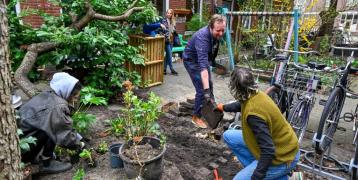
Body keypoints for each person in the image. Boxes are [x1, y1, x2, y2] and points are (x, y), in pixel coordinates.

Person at [215, 68, 300, 180]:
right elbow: (241, 104)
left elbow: (268, 150)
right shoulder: (256, 94)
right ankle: (266, 172)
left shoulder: (254, 116)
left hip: (283, 157)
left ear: (235, 88)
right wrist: (223, 107)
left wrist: (257, 176)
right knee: (229, 136)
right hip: (277, 144)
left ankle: (284, 177)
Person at [19, 72, 86, 174]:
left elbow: (62, 125)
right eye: (74, 95)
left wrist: (79, 137)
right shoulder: (57, 106)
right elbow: (64, 134)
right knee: (51, 127)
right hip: (23, 152)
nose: (75, 99)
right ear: (66, 90)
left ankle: (40, 157)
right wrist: (79, 144)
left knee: (50, 125)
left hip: (22, 144)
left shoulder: (47, 95)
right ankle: (46, 162)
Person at [182, 14, 226, 128]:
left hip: (202, 59)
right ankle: (196, 117)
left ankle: (212, 111)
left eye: (223, 30)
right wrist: (206, 91)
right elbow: (202, 67)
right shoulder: (202, 37)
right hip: (191, 61)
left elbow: (209, 57)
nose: (221, 33)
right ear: (210, 27)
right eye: (218, 31)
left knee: (209, 85)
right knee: (202, 89)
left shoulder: (215, 35)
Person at [161, 9, 178, 75]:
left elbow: (173, 31)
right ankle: (172, 69)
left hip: (171, 40)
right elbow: (164, 30)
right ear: (166, 13)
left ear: (172, 14)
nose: (169, 14)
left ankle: (164, 69)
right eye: (168, 13)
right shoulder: (164, 20)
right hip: (166, 40)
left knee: (167, 55)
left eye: (170, 13)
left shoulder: (172, 21)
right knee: (170, 54)